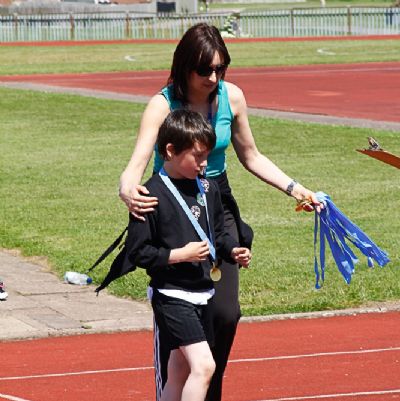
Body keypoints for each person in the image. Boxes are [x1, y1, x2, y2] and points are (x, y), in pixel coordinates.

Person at [119, 23, 322, 401]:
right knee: (177, 302)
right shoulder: (163, 104)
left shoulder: (233, 97)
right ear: (185, 67)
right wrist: (128, 188)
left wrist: (296, 189)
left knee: (224, 312)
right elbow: (139, 160)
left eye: (220, 68)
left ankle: (206, 388)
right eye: (204, 70)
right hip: (175, 202)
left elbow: (251, 155)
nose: (213, 78)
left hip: (216, 201)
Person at [125, 109, 251, 401]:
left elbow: (217, 233)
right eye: (198, 156)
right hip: (172, 295)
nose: (204, 163)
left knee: (179, 369)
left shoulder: (207, 188)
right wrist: (179, 255)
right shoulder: (148, 195)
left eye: (208, 155)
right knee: (204, 366)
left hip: (204, 292)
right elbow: (138, 252)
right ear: (170, 150)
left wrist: (232, 250)